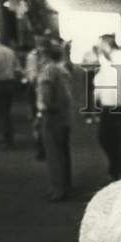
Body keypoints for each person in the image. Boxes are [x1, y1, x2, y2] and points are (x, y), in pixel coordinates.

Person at [92, 33, 121, 181]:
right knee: (104, 139)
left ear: (107, 45)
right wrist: (96, 102)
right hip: (106, 110)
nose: (98, 48)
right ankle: (115, 167)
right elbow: (99, 83)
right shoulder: (103, 61)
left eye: (100, 46)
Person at [35, 39, 74, 202]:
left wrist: (44, 109)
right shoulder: (59, 69)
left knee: (54, 154)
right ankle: (65, 185)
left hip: (52, 116)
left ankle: (58, 189)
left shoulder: (47, 71)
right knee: (62, 152)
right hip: (63, 115)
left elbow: (46, 94)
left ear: (44, 55)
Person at [25, 33, 51, 160]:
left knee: (39, 119)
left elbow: (32, 75)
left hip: (39, 90)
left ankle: (42, 147)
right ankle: (42, 147)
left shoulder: (33, 56)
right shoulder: (35, 57)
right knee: (40, 120)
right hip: (39, 90)